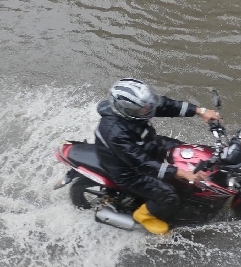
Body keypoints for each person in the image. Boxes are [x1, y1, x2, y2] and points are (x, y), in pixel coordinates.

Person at [94, 78, 220, 234]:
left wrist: (200, 111)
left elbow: (166, 106)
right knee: (168, 195)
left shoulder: (140, 107)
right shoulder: (117, 133)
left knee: (187, 151)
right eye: (144, 109)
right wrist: (179, 172)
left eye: (149, 105)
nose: (149, 108)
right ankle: (144, 216)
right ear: (128, 111)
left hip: (147, 144)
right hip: (128, 170)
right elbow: (141, 163)